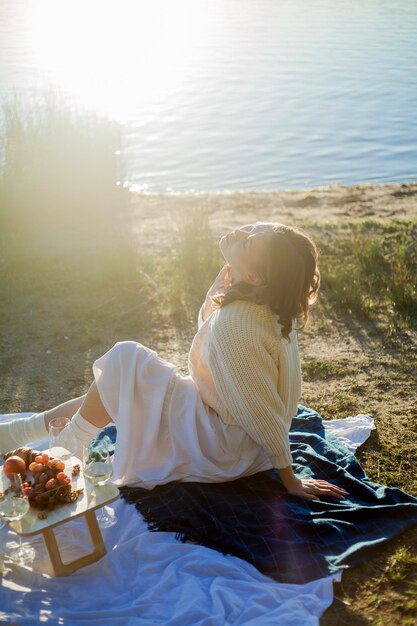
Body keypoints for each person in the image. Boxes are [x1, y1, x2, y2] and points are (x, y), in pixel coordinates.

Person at [1, 222, 348, 501]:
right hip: (227, 427)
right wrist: (219, 289)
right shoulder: (261, 306)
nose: (241, 232)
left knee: (126, 359)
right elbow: (217, 347)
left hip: (226, 447)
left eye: (248, 243)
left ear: (256, 277)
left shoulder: (239, 324)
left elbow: (260, 411)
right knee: (122, 381)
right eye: (253, 228)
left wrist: (289, 478)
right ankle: (32, 430)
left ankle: (64, 448)